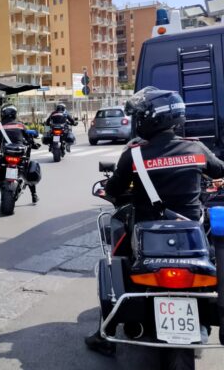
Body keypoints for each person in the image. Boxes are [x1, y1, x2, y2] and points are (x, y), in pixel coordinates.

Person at [85, 87, 224, 356]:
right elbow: (219, 169)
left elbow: (113, 190)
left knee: (115, 254)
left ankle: (107, 332)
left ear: (152, 119)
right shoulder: (196, 148)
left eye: (139, 116)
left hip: (147, 236)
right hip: (190, 233)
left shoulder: (134, 155)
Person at [0, 105, 41, 203]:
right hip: (19, 156)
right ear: (14, 114)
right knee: (27, 170)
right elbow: (28, 138)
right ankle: (34, 195)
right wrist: (33, 144)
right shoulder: (20, 125)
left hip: (3, 157)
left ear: (2, 114)